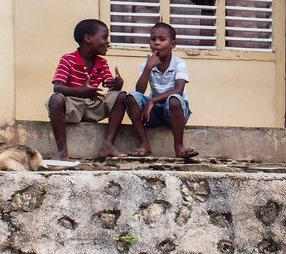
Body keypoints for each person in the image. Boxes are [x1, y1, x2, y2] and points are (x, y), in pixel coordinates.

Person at [47, 19, 127, 160]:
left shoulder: (102, 63)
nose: (107, 42)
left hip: (93, 106)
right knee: (55, 99)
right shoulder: (68, 59)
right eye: (104, 37)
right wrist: (80, 91)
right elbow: (57, 87)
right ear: (88, 38)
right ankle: (62, 151)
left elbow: (109, 85)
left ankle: (108, 145)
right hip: (73, 105)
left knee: (120, 96)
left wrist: (118, 83)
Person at [126, 22, 198, 159]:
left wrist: (153, 100)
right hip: (154, 114)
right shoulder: (146, 64)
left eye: (162, 39)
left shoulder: (179, 63)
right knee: (131, 97)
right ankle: (145, 145)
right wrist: (148, 68)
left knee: (175, 99)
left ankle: (179, 147)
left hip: (174, 112)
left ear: (173, 44)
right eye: (153, 39)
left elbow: (178, 89)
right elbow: (139, 91)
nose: (157, 43)